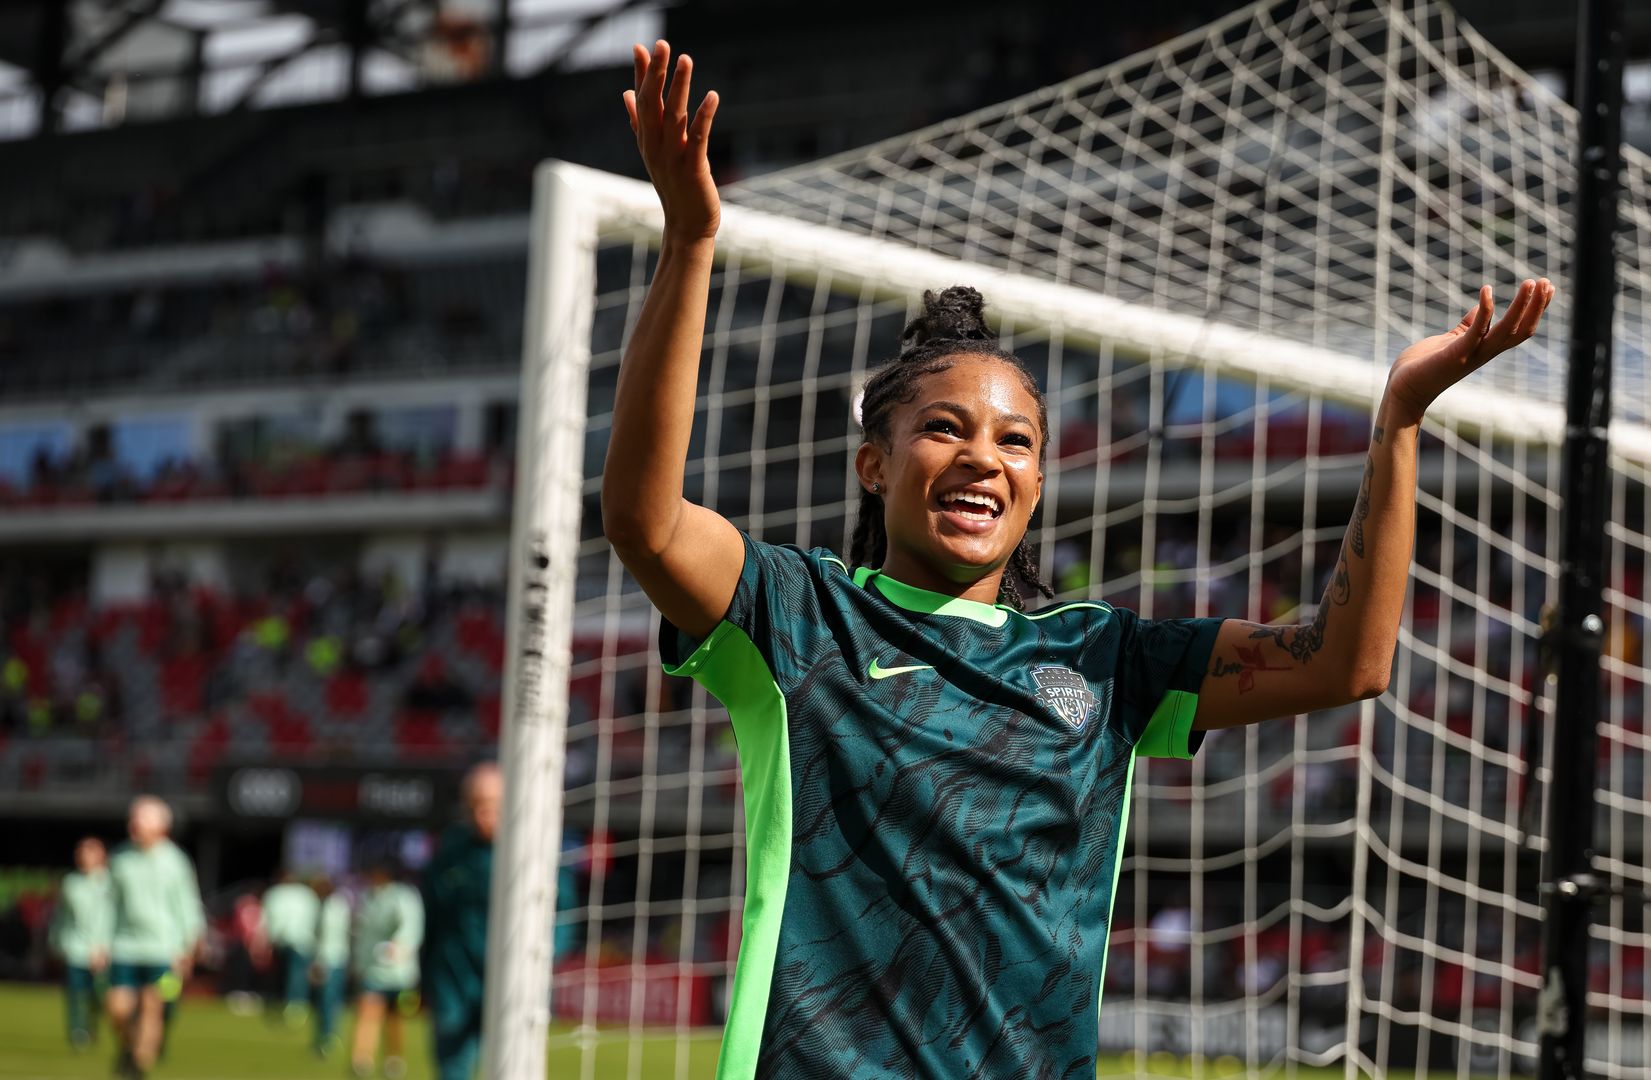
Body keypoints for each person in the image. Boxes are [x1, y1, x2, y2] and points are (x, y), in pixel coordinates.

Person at [603, 39, 1553, 1077]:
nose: (983, 458)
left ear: (1040, 483)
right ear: (874, 465)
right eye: (944, 429)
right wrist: (692, 238)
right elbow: (646, 520)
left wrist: (1401, 420)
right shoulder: (799, 616)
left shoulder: (1105, 661)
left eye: (1015, 440)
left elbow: (1344, 663)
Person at [420, 763, 579, 1080]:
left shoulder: (535, 854)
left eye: (492, 804)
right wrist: (427, 976)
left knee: (513, 1066)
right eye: (477, 805)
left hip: (515, 984)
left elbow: (563, 915)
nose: (485, 814)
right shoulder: (450, 853)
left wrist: (543, 960)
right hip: (456, 982)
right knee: (452, 1067)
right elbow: (432, 917)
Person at [104, 796, 204, 1080]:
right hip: (125, 946)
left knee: (153, 1005)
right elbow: (108, 905)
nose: (134, 826)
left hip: (163, 949)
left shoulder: (175, 861)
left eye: (141, 821)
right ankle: (129, 1046)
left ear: (160, 827)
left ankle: (140, 1062)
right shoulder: (121, 859)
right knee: (118, 1007)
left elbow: (186, 904)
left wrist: (189, 942)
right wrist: (100, 942)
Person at [350, 859, 424, 1079]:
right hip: (373, 970)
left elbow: (410, 926)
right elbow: (361, 936)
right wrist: (358, 964)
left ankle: (394, 1059)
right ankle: (362, 1059)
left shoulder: (403, 896)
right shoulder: (367, 898)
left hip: (399, 972)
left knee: (395, 1020)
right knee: (369, 1011)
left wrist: (398, 946)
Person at [49, 836, 112, 1050]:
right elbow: (62, 916)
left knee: (99, 994)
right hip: (75, 946)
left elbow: (112, 917)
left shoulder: (110, 883)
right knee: (75, 992)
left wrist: (104, 946)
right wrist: (57, 941)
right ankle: (77, 1032)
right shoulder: (70, 883)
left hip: (102, 949)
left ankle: (90, 1025)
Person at [260, 867, 319, 1022]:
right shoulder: (306, 894)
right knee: (295, 974)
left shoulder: (276, 894)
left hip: (289, 940)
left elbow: (271, 919)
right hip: (300, 941)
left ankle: (294, 1005)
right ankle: (294, 1004)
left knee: (294, 975)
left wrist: (270, 939)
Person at [309, 874, 351, 1058]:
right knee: (322, 1001)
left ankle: (329, 1035)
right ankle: (323, 1035)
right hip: (325, 960)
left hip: (332, 960)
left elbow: (330, 937)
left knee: (329, 1000)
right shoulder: (323, 906)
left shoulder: (336, 906)